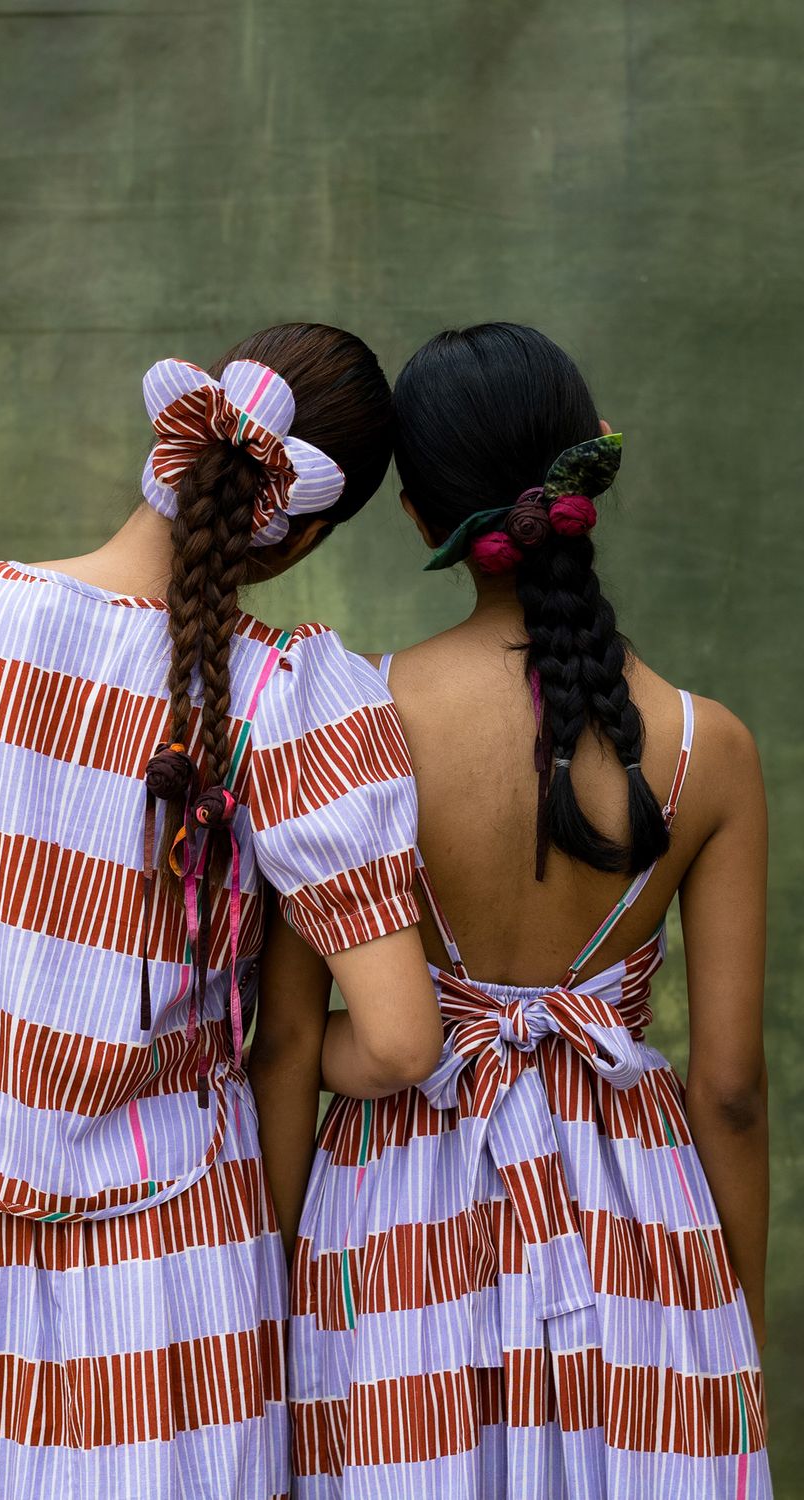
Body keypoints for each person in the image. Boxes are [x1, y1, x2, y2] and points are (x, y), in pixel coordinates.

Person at [0, 322, 442, 1500]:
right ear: (298, 531)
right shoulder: (282, 697)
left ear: (172, 446)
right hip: (162, 1270)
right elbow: (403, 1040)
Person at [254, 323, 772, 1498]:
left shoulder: (341, 719)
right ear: (592, 461)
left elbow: (286, 1044)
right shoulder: (711, 749)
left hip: (391, 1225)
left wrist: (271, 1285)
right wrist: (725, 1326)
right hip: (632, 1229)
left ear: (417, 520)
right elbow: (729, 1090)